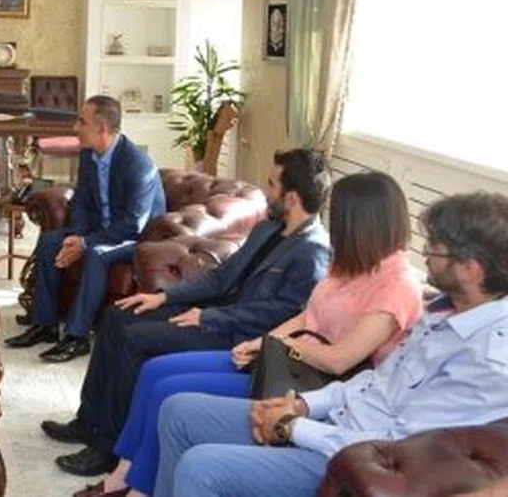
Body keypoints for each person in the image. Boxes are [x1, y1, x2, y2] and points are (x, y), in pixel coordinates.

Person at [77, 171, 424, 497]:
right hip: (283, 360)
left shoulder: (397, 285)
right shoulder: (349, 265)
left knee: (169, 392)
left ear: (361, 224)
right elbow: (307, 315)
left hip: (307, 381)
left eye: (341, 218)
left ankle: (136, 489)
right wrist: (262, 343)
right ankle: (124, 475)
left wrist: (280, 344)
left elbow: (339, 360)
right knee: (156, 372)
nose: (335, 226)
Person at [157, 192, 508, 497]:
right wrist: (303, 406)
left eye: (436, 249)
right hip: (332, 423)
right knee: (179, 410)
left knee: (201, 467)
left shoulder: (487, 362)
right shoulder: (443, 313)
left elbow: (399, 445)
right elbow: (374, 383)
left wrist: (292, 427)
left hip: (353, 460)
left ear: (470, 269)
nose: (426, 254)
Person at [42, 148, 332, 479]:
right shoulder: (268, 229)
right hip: (212, 313)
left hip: (236, 336)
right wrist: (164, 297)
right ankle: (89, 420)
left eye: (272, 184)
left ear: (291, 198)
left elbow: (275, 316)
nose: (266, 191)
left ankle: (108, 446)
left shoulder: (313, 252)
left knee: (135, 340)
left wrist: (208, 318)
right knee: (116, 316)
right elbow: (221, 277)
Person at [5, 95, 165, 363]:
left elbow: (133, 224)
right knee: (49, 242)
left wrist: (85, 243)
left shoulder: (138, 164)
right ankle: (44, 324)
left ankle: (77, 337)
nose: (75, 128)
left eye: (82, 122)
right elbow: (81, 202)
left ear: (102, 129)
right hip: (100, 231)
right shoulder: (89, 155)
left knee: (96, 254)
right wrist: (77, 235)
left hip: (137, 239)